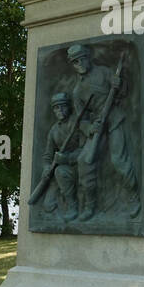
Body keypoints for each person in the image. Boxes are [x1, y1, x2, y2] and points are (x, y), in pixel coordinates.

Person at [67, 44, 140, 221]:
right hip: (97, 127)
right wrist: (89, 128)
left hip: (114, 119)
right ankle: (89, 206)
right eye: (75, 62)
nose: (79, 64)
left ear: (88, 57)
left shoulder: (105, 72)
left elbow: (122, 93)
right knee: (85, 160)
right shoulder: (77, 91)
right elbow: (80, 120)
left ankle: (133, 197)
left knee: (118, 160)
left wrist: (119, 84)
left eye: (81, 59)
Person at [37, 92, 81, 220]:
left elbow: (86, 149)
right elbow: (47, 156)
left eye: (63, 106)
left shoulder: (77, 124)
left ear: (69, 107)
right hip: (59, 172)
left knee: (61, 171)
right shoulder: (53, 131)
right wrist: (46, 168)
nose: (60, 110)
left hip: (79, 166)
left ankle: (73, 206)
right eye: (56, 107)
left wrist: (68, 158)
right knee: (48, 206)